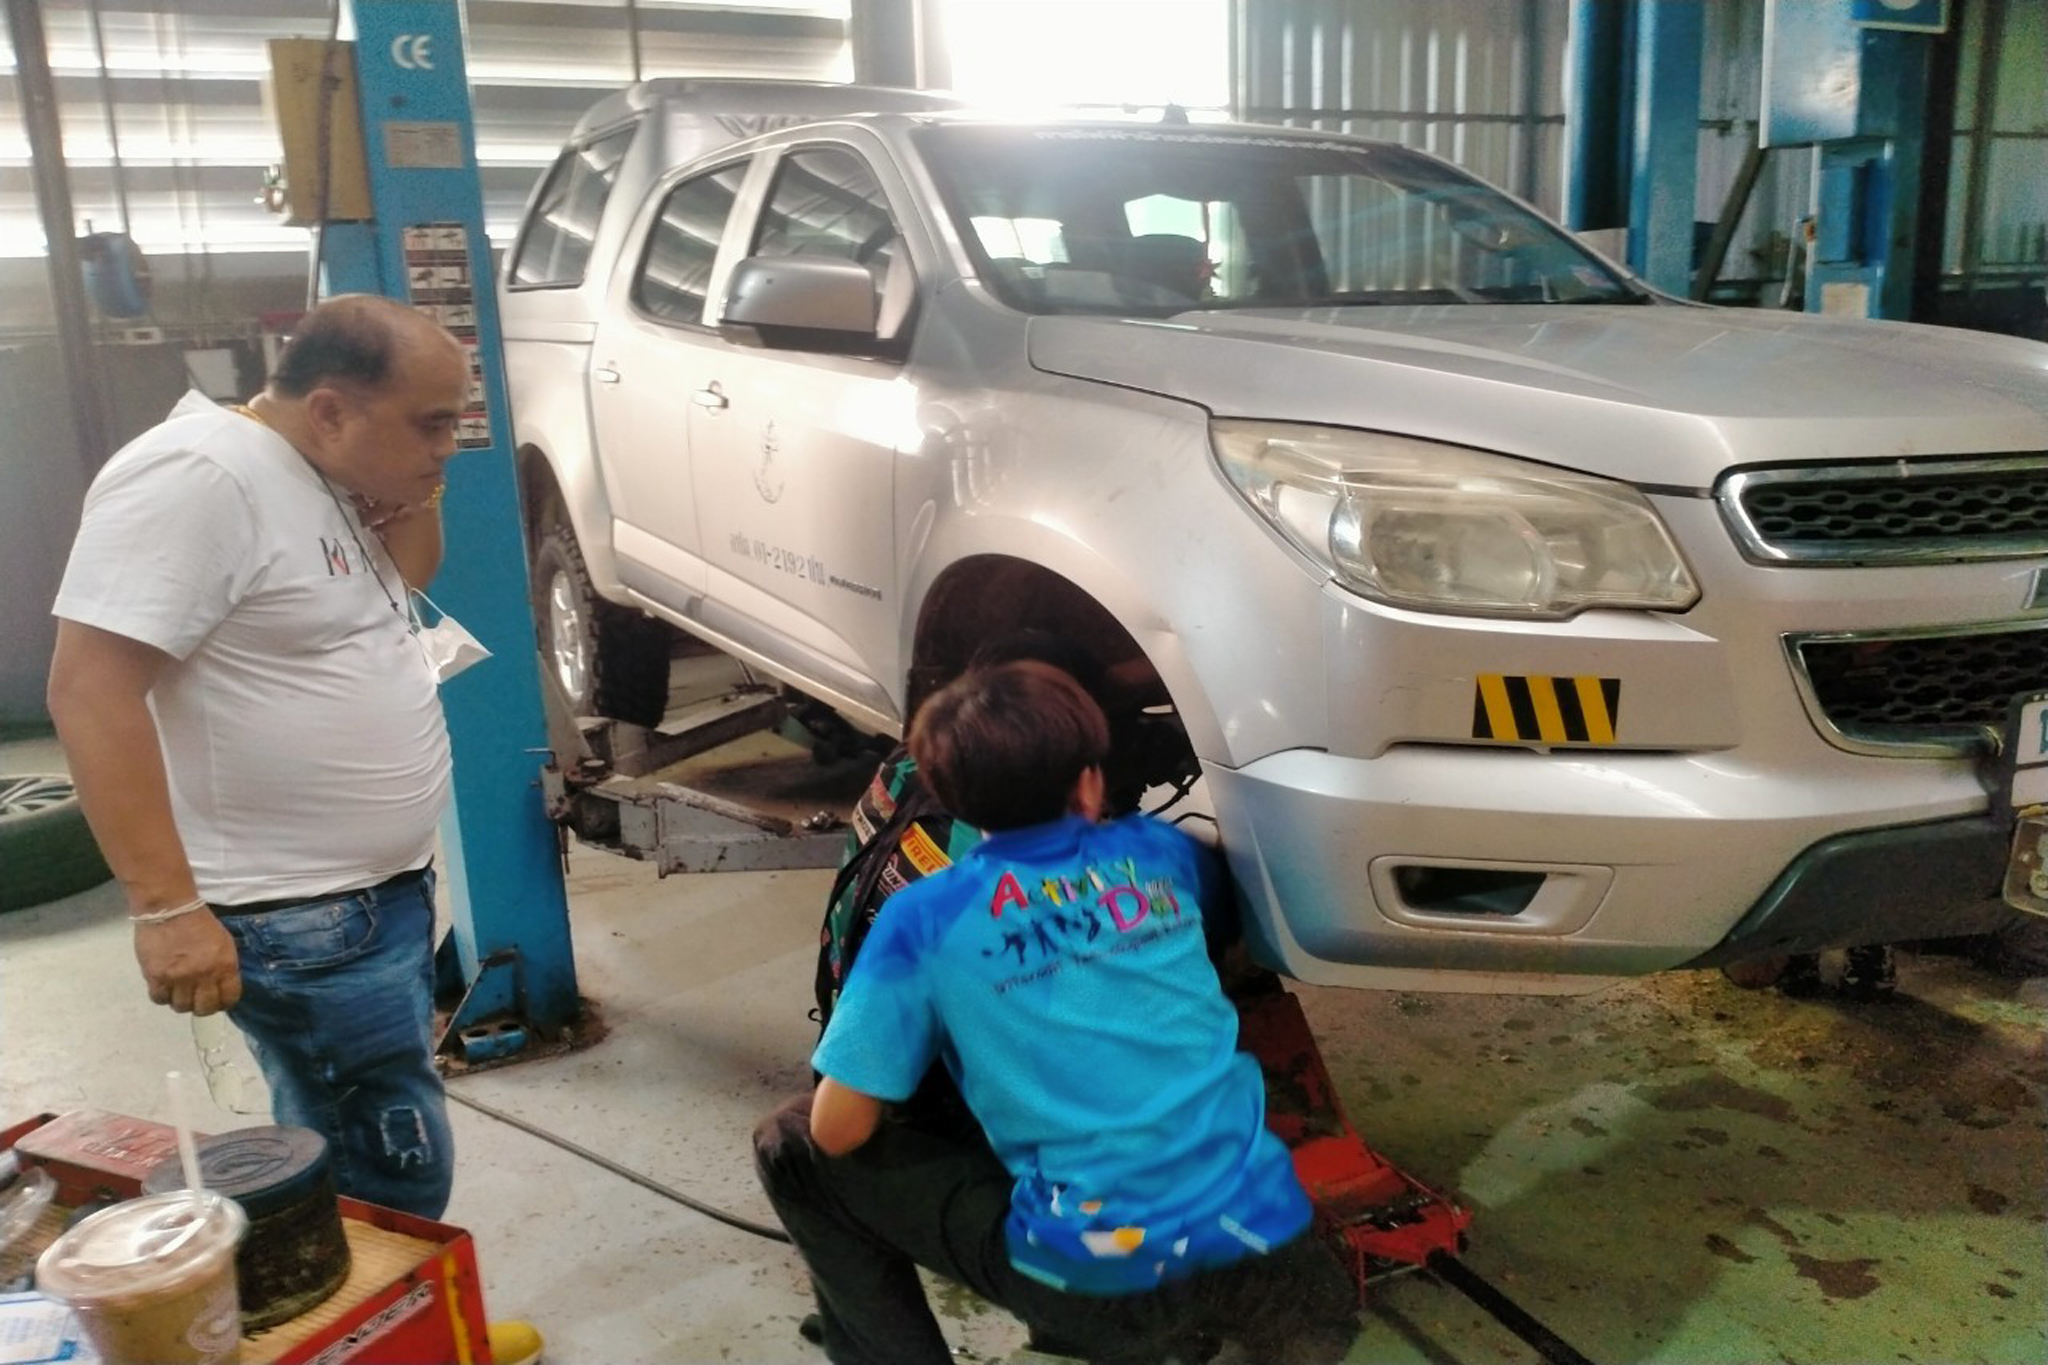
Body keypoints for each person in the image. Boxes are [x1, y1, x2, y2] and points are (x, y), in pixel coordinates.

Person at [46, 296, 540, 1363]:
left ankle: (406, 1319)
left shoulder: (319, 473)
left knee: (355, 1136)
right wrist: (166, 908)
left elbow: (409, 580)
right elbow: (90, 689)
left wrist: (409, 469)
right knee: (385, 1155)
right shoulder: (199, 479)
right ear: (326, 408)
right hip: (295, 913)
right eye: (431, 423)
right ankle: (386, 1336)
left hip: (372, 899)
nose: (448, 447)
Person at [756, 661, 1355, 1365]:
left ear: (949, 799)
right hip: (1285, 1261)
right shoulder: (1167, 855)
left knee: (790, 1144)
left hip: (1105, 1286)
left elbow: (839, 1130)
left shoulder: (925, 918)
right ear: (1091, 781)